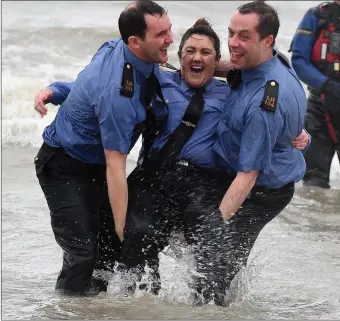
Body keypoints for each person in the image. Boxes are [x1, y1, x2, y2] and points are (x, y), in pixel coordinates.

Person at [37, 16, 310, 305]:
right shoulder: (158, 80)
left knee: (211, 246)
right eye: (190, 51)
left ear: (217, 61)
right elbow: (97, 87)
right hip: (155, 177)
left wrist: (301, 135)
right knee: (137, 231)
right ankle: (132, 302)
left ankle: (207, 306)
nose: (197, 57)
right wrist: (56, 91)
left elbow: (273, 117)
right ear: (178, 58)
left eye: (205, 53)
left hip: (205, 182)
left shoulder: (233, 90)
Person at [34, 0, 173, 296]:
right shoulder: (118, 96)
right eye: (161, 35)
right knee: (82, 253)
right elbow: (116, 165)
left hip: (96, 166)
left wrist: (58, 90)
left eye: (169, 30)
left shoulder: (114, 45)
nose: (170, 40)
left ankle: (94, 309)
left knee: (108, 250)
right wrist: (121, 227)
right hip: (62, 166)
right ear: (135, 42)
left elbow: (86, 86)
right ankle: (67, 312)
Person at [212, 1, 308, 298]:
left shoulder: (264, 103)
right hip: (240, 173)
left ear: (267, 41)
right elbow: (234, 66)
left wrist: (213, 230)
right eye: (230, 33)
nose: (232, 42)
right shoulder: (266, 59)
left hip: (261, 191)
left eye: (243, 36)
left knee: (215, 268)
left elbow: (248, 177)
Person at [290, 0, 340, 189]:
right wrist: (326, 85)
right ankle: (315, 219)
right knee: (313, 184)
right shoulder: (317, 16)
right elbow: (299, 60)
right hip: (319, 110)